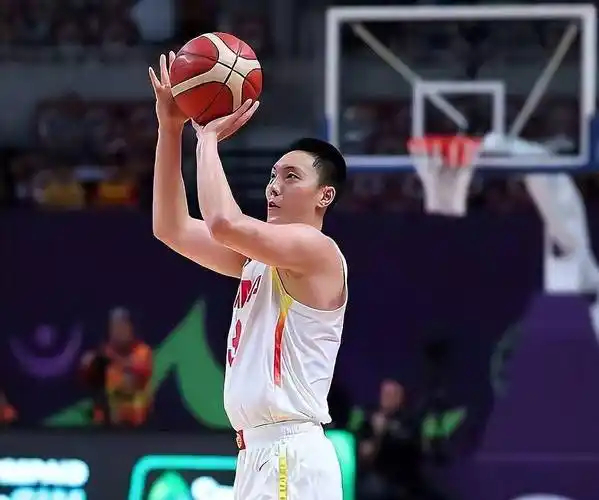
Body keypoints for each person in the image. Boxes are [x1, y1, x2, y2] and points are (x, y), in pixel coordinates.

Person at [149, 52, 348, 499]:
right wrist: (170, 128)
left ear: (324, 196)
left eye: (291, 177)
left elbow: (223, 223)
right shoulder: (255, 261)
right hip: (258, 453)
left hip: (290, 453)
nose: (274, 186)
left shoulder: (317, 251)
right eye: (273, 175)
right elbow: (170, 227)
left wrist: (207, 139)